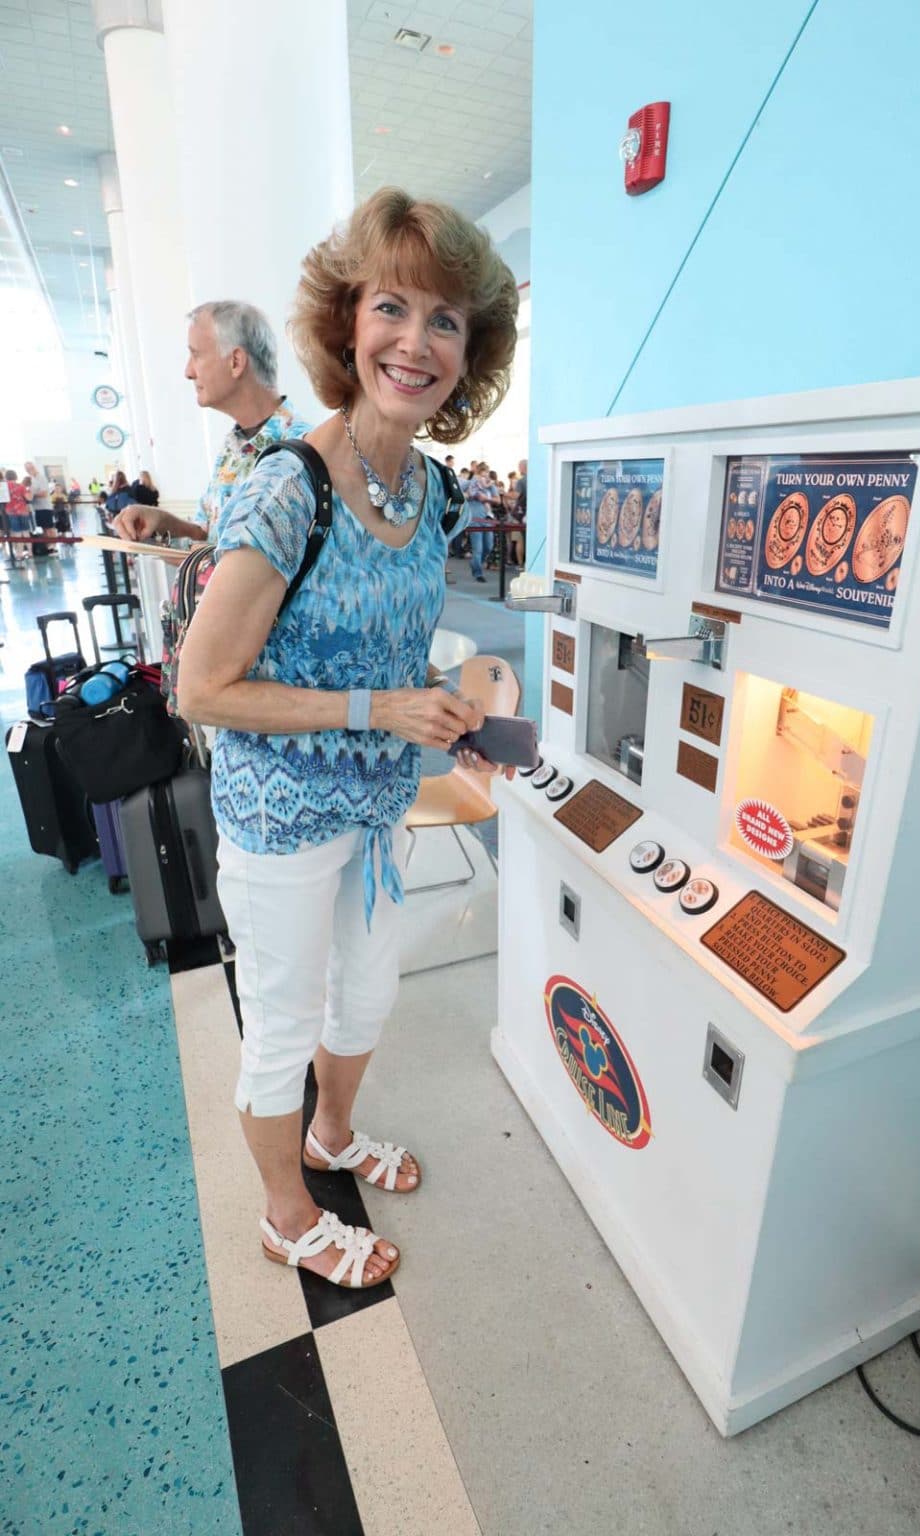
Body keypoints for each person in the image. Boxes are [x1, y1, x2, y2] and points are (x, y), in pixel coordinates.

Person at [176, 188, 518, 1291]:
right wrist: (383, 712)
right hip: (278, 817)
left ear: (471, 351)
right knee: (280, 1021)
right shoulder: (286, 490)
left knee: (365, 998)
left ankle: (331, 1137)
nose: (414, 343)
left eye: (445, 319)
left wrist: (442, 705)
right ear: (346, 322)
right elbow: (202, 689)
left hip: (375, 812)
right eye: (392, 308)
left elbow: (384, 652)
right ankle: (286, 1214)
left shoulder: (439, 493)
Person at [112, 301, 309, 546]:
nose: (188, 371)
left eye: (195, 355)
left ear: (236, 361)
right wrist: (164, 524)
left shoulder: (300, 454)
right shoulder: (234, 446)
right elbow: (208, 536)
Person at [466, 459, 498, 580]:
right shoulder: (472, 483)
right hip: (475, 519)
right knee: (477, 548)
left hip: (488, 518)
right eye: (483, 472)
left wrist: (487, 499)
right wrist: (471, 495)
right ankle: (478, 573)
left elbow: (498, 500)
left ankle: (475, 562)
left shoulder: (490, 485)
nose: (485, 474)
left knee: (488, 546)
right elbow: (466, 496)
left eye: (487, 472)